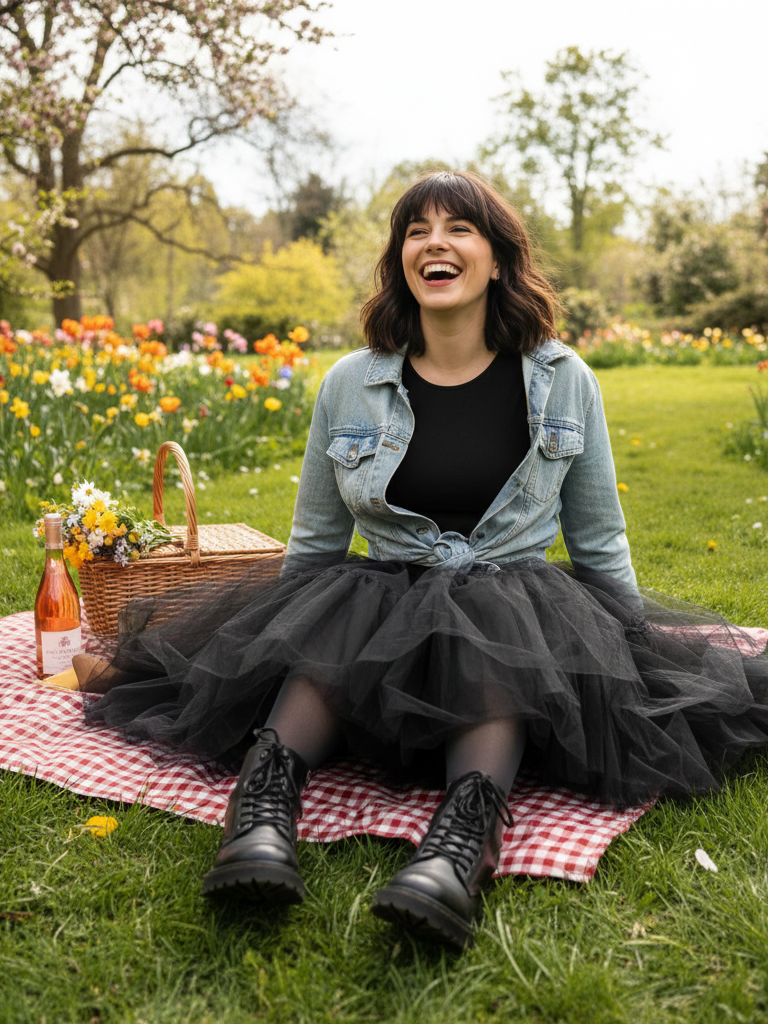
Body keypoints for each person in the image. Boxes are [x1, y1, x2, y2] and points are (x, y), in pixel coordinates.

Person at [74, 171, 768, 950]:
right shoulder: (351, 383)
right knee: (336, 615)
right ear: (402, 259)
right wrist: (274, 641)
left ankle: (457, 850)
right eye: (416, 230)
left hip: (518, 599)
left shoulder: (562, 379)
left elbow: (599, 538)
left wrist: (632, 649)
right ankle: (260, 819)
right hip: (384, 596)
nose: (435, 242)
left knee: (498, 624)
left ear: (498, 259)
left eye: (459, 227)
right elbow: (315, 544)